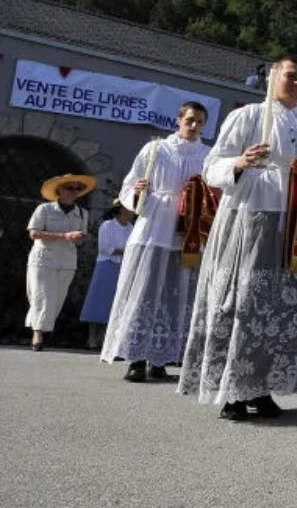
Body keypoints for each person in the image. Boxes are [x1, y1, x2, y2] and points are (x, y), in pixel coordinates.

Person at [178, 57, 297, 420]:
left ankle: (262, 387)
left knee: (283, 306)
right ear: (272, 77)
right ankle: (233, 391)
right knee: (244, 301)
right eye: (291, 76)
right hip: (250, 214)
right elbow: (211, 165)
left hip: (295, 222)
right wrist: (240, 163)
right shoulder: (248, 116)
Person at [103, 101, 212, 382]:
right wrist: (138, 191)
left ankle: (162, 357)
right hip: (154, 224)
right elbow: (130, 184)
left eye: (200, 121)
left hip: (186, 232)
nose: (194, 125)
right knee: (144, 290)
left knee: (175, 294)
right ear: (178, 120)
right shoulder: (155, 149)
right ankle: (136, 358)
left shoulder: (208, 155)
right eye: (189, 119)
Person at [25, 174, 94, 351]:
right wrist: (63, 236)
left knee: (57, 299)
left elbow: (80, 238)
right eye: (70, 188)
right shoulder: (44, 209)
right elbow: (34, 233)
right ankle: (37, 334)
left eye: (78, 189)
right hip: (43, 259)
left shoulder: (82, 213)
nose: (74, 192)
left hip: (67, 261)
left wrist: (79, 238)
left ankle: (40, 327)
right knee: (42, 296)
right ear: (59, 190)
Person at [79, 201, 134, 347]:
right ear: (121, 209)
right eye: (130, 208)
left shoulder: (131, 228)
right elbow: (105, 248)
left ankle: (104, 338)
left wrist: (126, 252)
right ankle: (91, 337)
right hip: (106, 266)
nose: (133, 212)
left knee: (112, 303)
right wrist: (125, 251)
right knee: (98, 300)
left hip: (123, 267)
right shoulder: (107, 225)